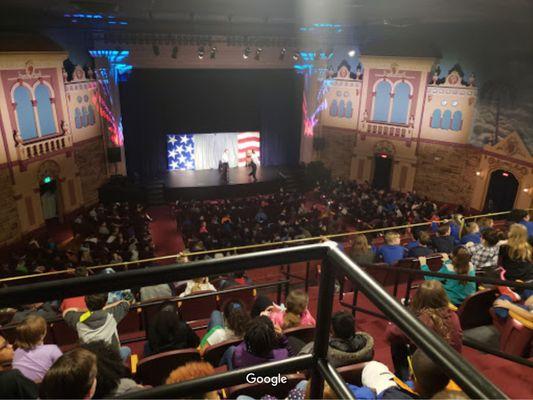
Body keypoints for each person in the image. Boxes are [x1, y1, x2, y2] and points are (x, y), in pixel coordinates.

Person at [386, 280, 462, 380]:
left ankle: (403, 378)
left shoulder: (418, 322)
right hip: (453, 367)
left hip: (427, 371)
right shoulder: (453, 316)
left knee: (397, 343)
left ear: (418, 298)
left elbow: (389, 334)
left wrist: (398, 317)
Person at [63, 292, 132, 361]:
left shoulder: (78, 319)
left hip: (90, 361)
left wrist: (89, 311)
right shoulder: (111, 314)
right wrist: (105, 307)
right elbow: (126, 302)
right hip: (112, 359)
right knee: (126, 350)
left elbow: (66, 312)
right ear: (105, 302)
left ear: (86, 302)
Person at [298, 311, 374, 367]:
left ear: (333, 331)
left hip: (330, 383)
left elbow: (302, 362)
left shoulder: (322, 351)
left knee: (292, 339)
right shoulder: (368, 350)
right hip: (354, 382)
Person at [12, 315, 62, 383]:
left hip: (23, 390)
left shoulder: (17, 351)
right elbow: (64, 372)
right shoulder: (53, 350)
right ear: (43, 334)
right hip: (45, 389)